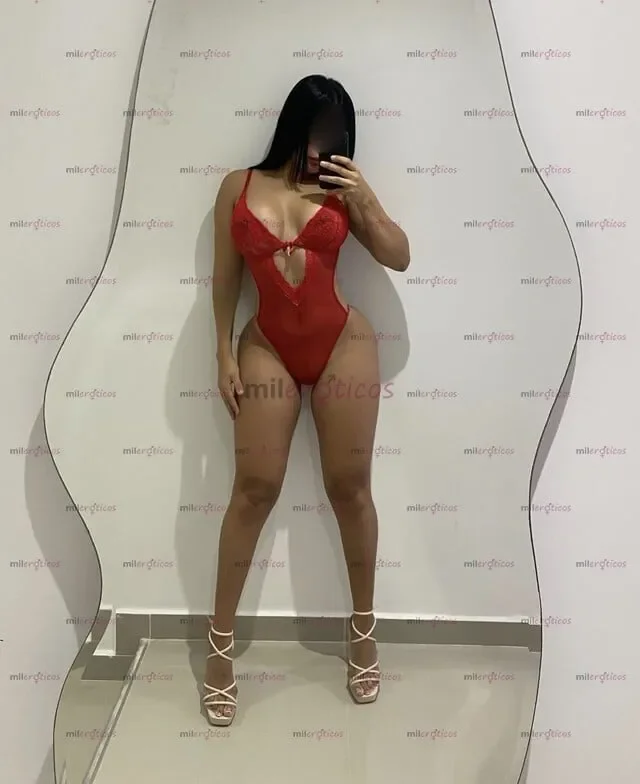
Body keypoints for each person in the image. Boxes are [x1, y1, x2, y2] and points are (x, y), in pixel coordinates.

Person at [204, 74, 410, 726]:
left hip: (342, 342)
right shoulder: (237, 186)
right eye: (318, 129)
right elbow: (224, 279)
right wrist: (222, 352)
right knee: (254, 489)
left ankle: (363, 633)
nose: (326, 143)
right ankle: (219, 647)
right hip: (266, 345)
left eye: (337, 133)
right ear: (294, 123)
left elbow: (400, 256)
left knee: (350, 488)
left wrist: (365, 198)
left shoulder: (342, 193)